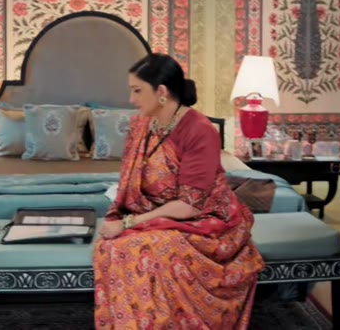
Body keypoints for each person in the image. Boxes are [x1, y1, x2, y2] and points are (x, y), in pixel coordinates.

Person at [93, 53, 264, 329]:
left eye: (137, 91)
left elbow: (190, 206)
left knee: (143, 250)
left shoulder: (199, 130)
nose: (131, 99)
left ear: (161, 92)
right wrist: (124, 219)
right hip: (155, 215)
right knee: (108, 246)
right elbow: (130, 183)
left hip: (204, 221)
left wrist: (127, 223)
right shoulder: (140, 125)